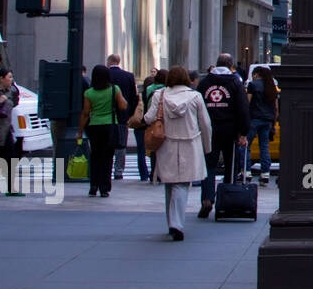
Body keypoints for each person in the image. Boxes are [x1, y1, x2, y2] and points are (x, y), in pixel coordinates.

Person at [145, 65, 211, 241]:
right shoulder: (195, 96)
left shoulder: (160, 95)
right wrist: (207, 146)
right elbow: (205, 123)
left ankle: (171, 223)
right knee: (182, 184)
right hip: (189, 142)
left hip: (166, 143)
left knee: (169, 183)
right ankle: (176, 223)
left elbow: (149, 118)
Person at [195, 53, 251, 219]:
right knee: (230, 164)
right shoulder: (235, 82)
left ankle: (207, 198)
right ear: (231, 65)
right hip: (230, 129)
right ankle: (226, 199)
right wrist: (243, 131)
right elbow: (242, 108)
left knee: (209, 165)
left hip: (209, 129)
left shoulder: (205, 82)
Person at [77, 64, 126, 198]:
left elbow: (86, 113)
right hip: (110, 125)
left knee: (95, 156)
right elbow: (122, 106)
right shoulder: (114, 90)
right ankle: (104, 188)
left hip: (94, 126)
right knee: (108, 157)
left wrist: (80, 131)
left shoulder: (89, 93)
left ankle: (93, 185)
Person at [106, 54, 140, 182]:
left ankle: (107, 169)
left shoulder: (105, 75)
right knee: (121, 143)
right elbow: (134, 97)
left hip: (106, 114)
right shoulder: (129, 76)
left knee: (107, 143)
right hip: (123, 114)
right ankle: (118, 171)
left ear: (110, 61)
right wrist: (129, 113)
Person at [246, 65, 277, 185]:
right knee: (264, 147)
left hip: (254, 118)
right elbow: (276, 107)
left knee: (246, 145)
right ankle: (265, 174)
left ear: (256, 74)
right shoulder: (271, 86)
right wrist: (273, 122)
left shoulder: (253, 85)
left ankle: (247, 172)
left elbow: (247, 103)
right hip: (268, 120)